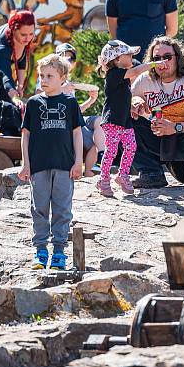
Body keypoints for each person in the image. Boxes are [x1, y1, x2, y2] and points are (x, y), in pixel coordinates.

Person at [18, 54, 84, 271]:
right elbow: (26, 135)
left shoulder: (70, 103)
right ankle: (40, 251)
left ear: (62, 77)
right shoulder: (34, 104)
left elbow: (77, 134)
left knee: (62, 209)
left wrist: (79, 162)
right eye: (41, 76)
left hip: (65, 165)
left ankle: (58, 251)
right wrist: (26, 164)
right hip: (38, 166)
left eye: (49, 76)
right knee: (39, 208)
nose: (43, 80)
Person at [130, 36, 184, 189]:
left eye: (167, 57)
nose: (161, 62)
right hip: (162, 142)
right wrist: (135, 102)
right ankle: (151, 173)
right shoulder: (145, 80)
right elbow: (129, 98)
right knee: (122, 120)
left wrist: (176, 127)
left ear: (178, 58)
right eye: (156, 58)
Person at [95, 40, 167, 196]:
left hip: (125, 121)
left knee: (131, 147)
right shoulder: (114, 74)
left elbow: (120, 99)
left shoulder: (124, 78)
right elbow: (136, 71)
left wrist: (132, 107)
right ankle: (103, 179)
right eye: (128, 55)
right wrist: (153, 64)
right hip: (112, 122)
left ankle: (123, 175)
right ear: (117, 59)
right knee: (112, 151)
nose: (132, 58)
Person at [36, 43, 105, 177]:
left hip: (71, 119)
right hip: (55, 121)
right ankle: (91, 171)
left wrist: (90, 101)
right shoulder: (47, 75)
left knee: (99, 124)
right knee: (89, 139)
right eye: (63, 57)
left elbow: (73, 112)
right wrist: (62, 90)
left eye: (71, 59)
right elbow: (38, 100)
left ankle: (99, 163)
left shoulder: (69, 81)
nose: (68, 61)